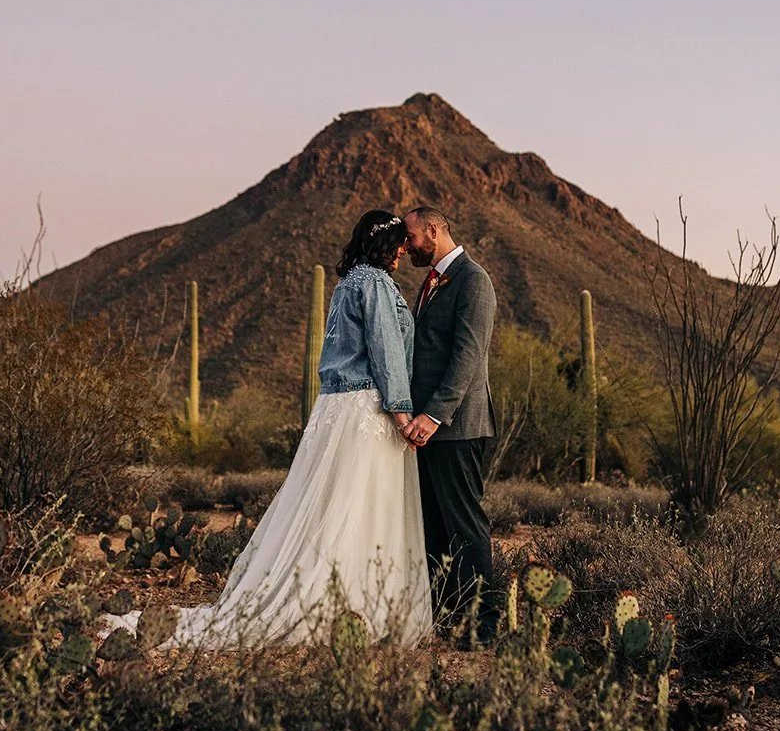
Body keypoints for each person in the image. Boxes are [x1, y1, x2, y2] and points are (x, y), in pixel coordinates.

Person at [101, 210, 431, 648]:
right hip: (368, 406)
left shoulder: (347, 282)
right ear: (389, 245)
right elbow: (387, 351)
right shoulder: (373, 283)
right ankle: (357, 604)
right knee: (364, 502)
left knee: (335, 504)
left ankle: (347, 602)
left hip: (337, 408)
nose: (405, 253)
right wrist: (403, 413)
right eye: (401, 245)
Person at [402, 205, 498, 645]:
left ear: (435, 229)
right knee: (435, 526)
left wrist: (434, 413)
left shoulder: (473, 280)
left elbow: (467, 356)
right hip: (431, 430)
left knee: (464, 524)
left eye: (412, 237)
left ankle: (483, 624)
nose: (407, 246)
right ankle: (446, 619)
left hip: (458, 427)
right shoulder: (432, 282)